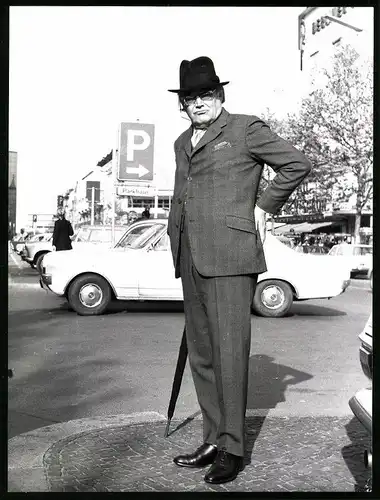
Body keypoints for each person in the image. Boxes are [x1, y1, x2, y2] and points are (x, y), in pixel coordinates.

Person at [167, 56, 312, 485]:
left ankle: (233, 449)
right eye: (189, 96)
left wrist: (266, 206)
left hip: (230, 256)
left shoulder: (246, 128)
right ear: (182, 103)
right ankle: (213, 437)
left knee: (230, 356)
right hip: (188, 256)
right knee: (204, 356)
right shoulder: (180, 142)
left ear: (220, 95)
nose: (198, 102)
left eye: (205, 94)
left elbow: (297, 163)